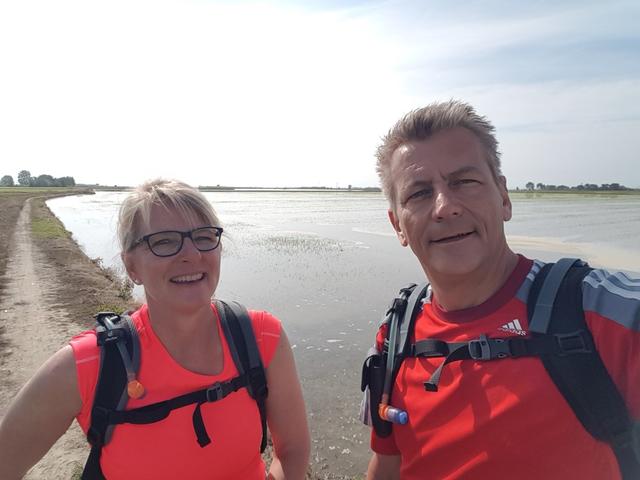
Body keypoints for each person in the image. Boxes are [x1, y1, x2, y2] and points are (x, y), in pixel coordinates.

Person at [363, 100, 640, 479]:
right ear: (398, 225)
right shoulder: (395, 334)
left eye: (464, 182)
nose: (445, 206)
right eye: (419, 193)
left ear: (504, 198)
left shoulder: (596, 311)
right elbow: (387, 463)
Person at [0, 179, 310, 479]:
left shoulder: (260, 337)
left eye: (204, 237)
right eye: (164, 241)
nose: (192, 254)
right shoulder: (87, 366)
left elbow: (292, 449)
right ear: (131, 266)